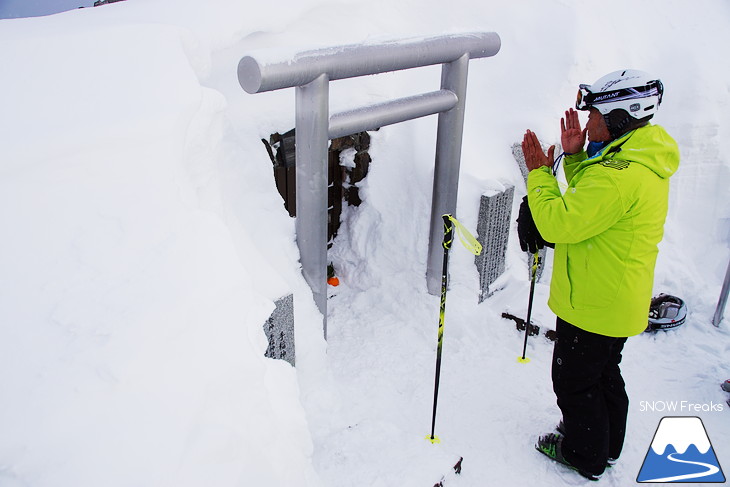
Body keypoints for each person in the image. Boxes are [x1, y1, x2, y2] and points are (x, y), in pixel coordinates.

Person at [517, 69, 680, 481]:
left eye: (595, 118)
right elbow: (596, 206)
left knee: (573, 382)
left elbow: (559, 223)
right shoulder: (638, 158)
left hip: (593, 303)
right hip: (617, 297)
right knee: (605, 372)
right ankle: (606, 445)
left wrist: (539, 172)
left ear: (622, 118)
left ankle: (583, 453)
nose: (587, 124)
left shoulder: (616, 175)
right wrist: (574, 159)